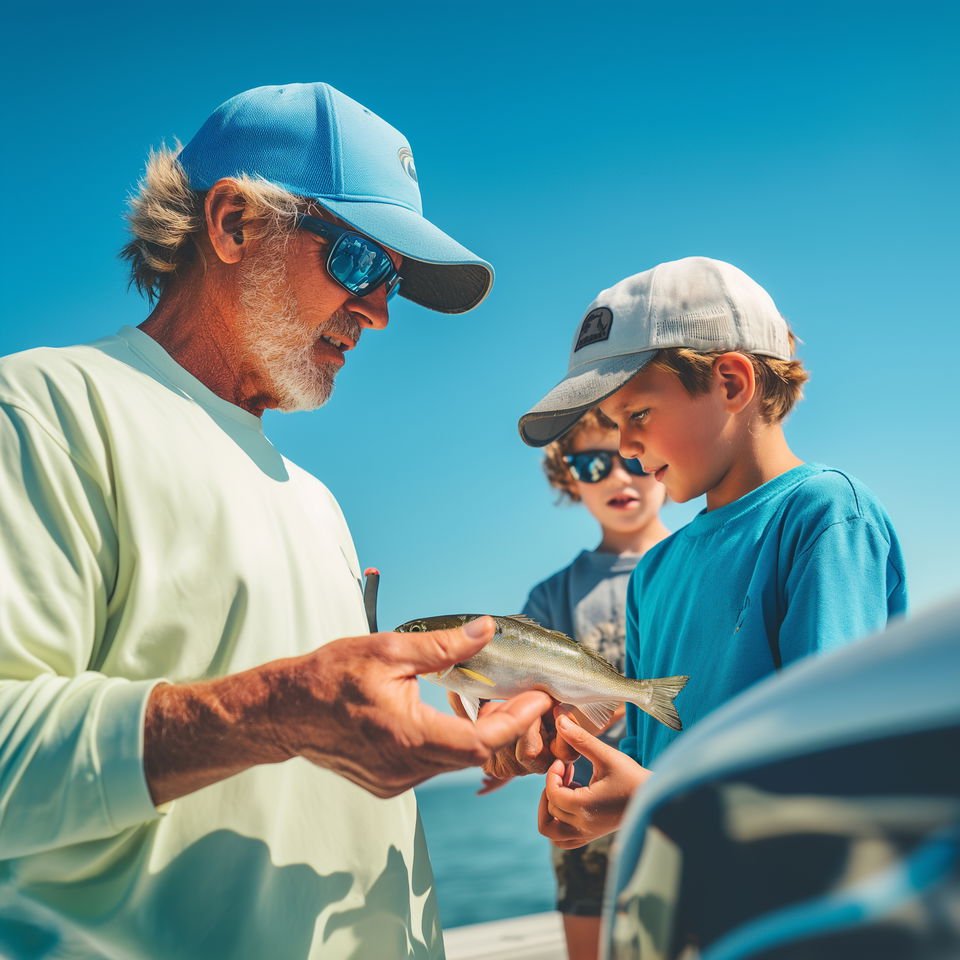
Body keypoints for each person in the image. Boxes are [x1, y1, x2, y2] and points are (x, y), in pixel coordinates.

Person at [0, 82, 552, 960]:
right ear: (233, 226)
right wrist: (273, 713)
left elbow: (326, 741)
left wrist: (455, 737)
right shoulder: (44, 408)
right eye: (361, 263)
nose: (377, 311)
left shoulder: (318, 500)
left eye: (394, 285)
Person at [515, 256, 907, 860]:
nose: (626, 446)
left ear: (730, 382)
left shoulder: (823, 517)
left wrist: (650, 799)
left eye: (638, 414)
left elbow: (835, 764)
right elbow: (654, 761)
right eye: (615, 425)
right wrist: (592, 792)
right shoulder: (653, 572)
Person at [520, 409, 669, 960]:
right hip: (578, 803)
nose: (617, 477)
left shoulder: (699, 566)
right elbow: (521, 696)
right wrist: (506, 739)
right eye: (592, 464)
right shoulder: (551, 597)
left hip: (671, 797)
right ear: (569, 478)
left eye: (630, 458)